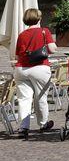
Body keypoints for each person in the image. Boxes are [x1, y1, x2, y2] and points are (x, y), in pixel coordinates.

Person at [13, 8, 58, 138]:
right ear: (39, 19)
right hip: (40, 68)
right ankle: (43, 124)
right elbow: (52, 49)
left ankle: (23, 127)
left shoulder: (21, 35)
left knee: (24, 99)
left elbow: (17, 56)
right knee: (41, 97)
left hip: (21, 69)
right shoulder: (45, 31)